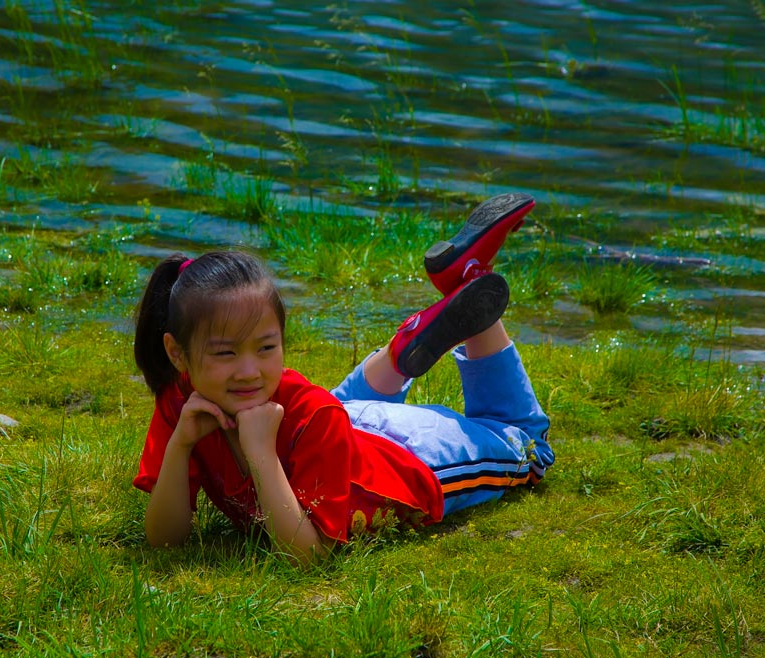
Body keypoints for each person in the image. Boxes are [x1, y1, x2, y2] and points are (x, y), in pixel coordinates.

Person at [132, 192, 554, 565]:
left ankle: (472, 279)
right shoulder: (184, 400)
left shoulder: (309, 414)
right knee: (326, 412)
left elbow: (307, 556)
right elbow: (166, 542)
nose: (249, 371)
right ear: (177, 354)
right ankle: (414, 334)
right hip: (341, 424)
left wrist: (261, 452)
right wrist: (181, 444)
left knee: (526, 446)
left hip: (409, 459)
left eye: (266, 348)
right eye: (225, 352)